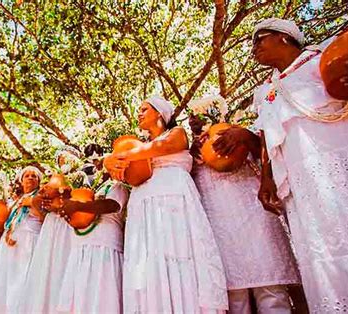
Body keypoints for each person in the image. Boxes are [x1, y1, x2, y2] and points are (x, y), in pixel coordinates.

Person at [251, 18, 348, 312]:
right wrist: (267, 179)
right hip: (304, 186)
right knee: (321, 257)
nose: (255, 47)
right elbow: (266, 136)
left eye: (260, 38)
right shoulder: (264, 92)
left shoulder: (325, 57)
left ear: (285, 37)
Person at [106, 96, 228, 313]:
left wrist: (117, 157)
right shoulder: (138, 144)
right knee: (148, 263)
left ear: (160, 113)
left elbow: (165, 146)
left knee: (178, 254)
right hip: (142, 204)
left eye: (144, 109)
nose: (139, 113)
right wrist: (111, 162)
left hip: (173, 198)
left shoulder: (177, 133)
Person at [188, 101, 301, 314]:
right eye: (191, 120)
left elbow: (269, 154)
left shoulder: (238, 135)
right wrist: (193, 155)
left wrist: (245, 136)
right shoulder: (192, 152)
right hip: (219, 224)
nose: (194, 122)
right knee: (234, 297)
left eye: (198, 117)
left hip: (255, 216)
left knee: (271, 290)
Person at [56, 144, 129, 313]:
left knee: (101, 298)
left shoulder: (118, 186)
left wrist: (78, 207)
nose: (98, 167)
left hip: (104, 248)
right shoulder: (90, 189)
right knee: (80, 298)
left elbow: (112, 205)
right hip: (81, 247)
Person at [20, 147, 81, 313]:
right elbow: (39, 202)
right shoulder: (50, 180)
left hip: (68, 223)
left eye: (67, 158)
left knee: (63, 261)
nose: (64, 162)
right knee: (47, 267)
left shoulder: (81, 177)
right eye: (60, 160)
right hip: (51, 224)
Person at [0, 166, 43, 313]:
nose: (30, 178)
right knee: (2, 284)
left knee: (22, 284)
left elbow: (45, 219)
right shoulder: (13, 203)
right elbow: (1, 225)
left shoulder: (41, 197)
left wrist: (31, 203)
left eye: (34, 176)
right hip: (7, 245)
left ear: (39, 181)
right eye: (27, 176)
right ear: (21, 181)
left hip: (29, 242)